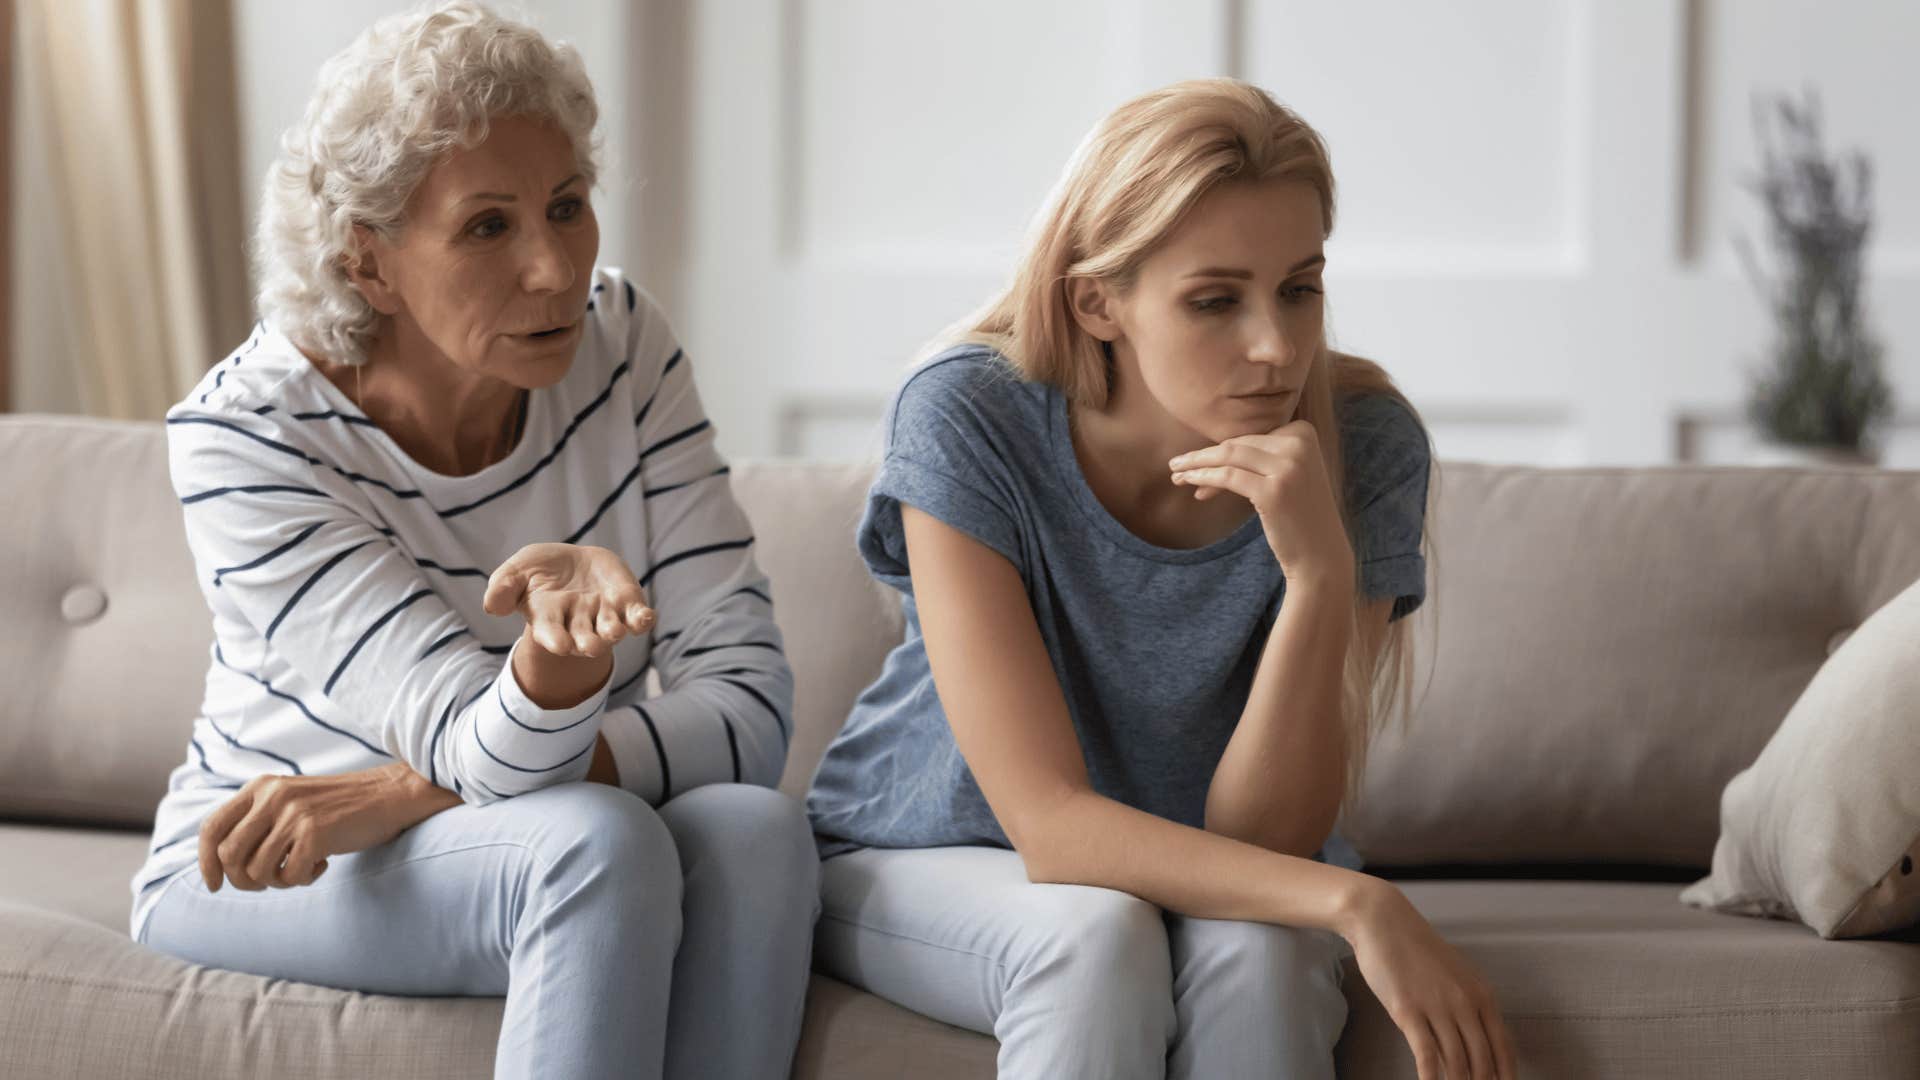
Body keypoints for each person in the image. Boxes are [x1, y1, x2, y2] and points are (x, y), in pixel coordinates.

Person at [128, 5, 817, 1078]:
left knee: (754, 835)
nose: (554, 269)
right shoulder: (246, 437)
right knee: (594, 843)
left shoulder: (620, 341)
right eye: (489, 226)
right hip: (267, 868)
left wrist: (404, 792)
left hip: (415, 816)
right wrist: (557, 667)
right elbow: (464, 730)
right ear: (370, 265)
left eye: (567, 206)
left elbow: (753, 708)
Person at [805, 78, 1518, 1080]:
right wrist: (1359, 901)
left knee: (1262, 960)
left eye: (1299, 288)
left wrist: (1317, 577)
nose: (1275, 346)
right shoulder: (968, 416)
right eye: (1215, 300)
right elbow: (1048, 826)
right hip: (932, 853)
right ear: (1098, 300)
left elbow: (1266, 839)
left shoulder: (1366, 445)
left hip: (1215, 865)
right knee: (1096, 939)